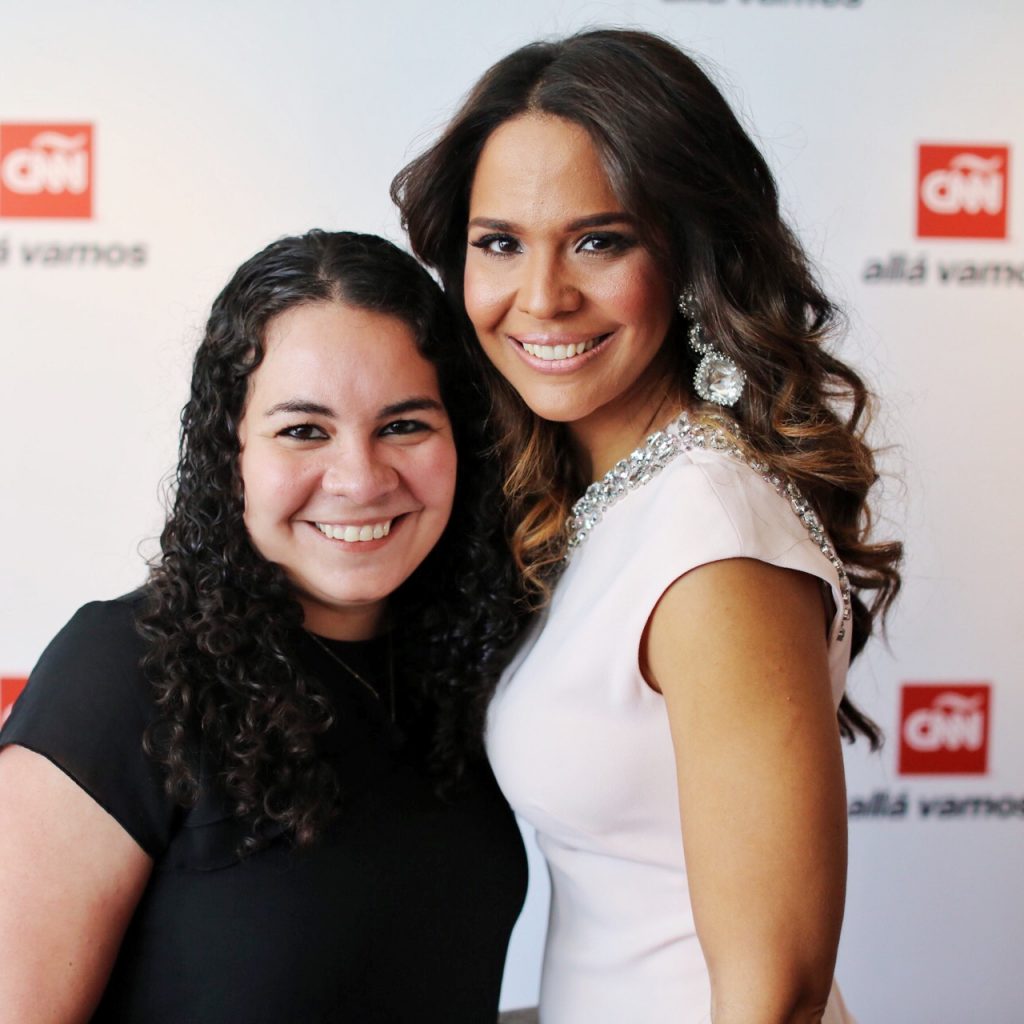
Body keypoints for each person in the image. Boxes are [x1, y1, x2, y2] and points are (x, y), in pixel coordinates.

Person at [392, 28, 903, 1024]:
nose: (542, 297)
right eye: (500, 242)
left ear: (685, 251)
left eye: (598, 239)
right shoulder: (619, 499)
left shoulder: (711, 539)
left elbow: (776, 995)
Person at [0, 230, 527, 1024]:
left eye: (405, 425)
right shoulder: (123, 672)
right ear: (230, 451)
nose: (360, 478)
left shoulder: (469, 671)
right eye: (304, 431)